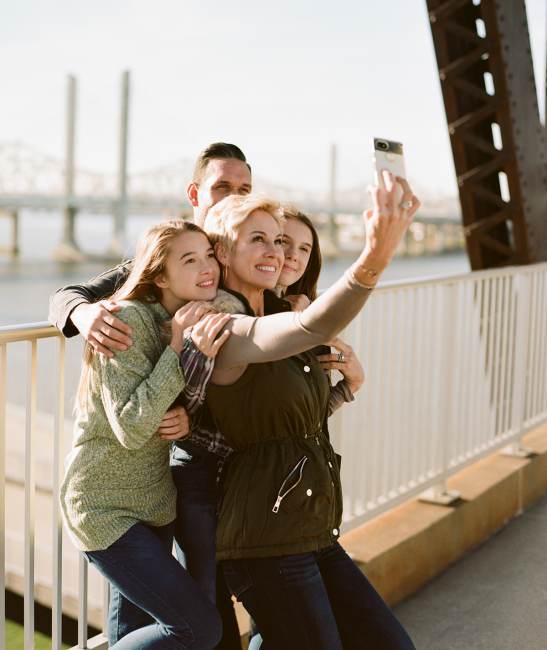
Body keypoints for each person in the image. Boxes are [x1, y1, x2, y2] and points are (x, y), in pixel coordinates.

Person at [50, 142, 254, 650]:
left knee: (165, 617)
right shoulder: (163, 261)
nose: (234, 198)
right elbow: (72, 295)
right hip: (169, 476)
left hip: (199, 475)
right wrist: (83, 313)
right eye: (223, 187)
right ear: (197, 194)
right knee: (199, 616)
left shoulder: (250, 251)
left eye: (244, 189)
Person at [201, 177, 419, 650]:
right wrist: (375, 257)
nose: (276, 251)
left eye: (277, 240)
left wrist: (346, 390)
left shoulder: (278, 317)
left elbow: (296, 421)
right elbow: (308, 326)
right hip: (266, 539)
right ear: (221, 252)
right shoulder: (225, 328)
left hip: (311, 528)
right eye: (257, 239)